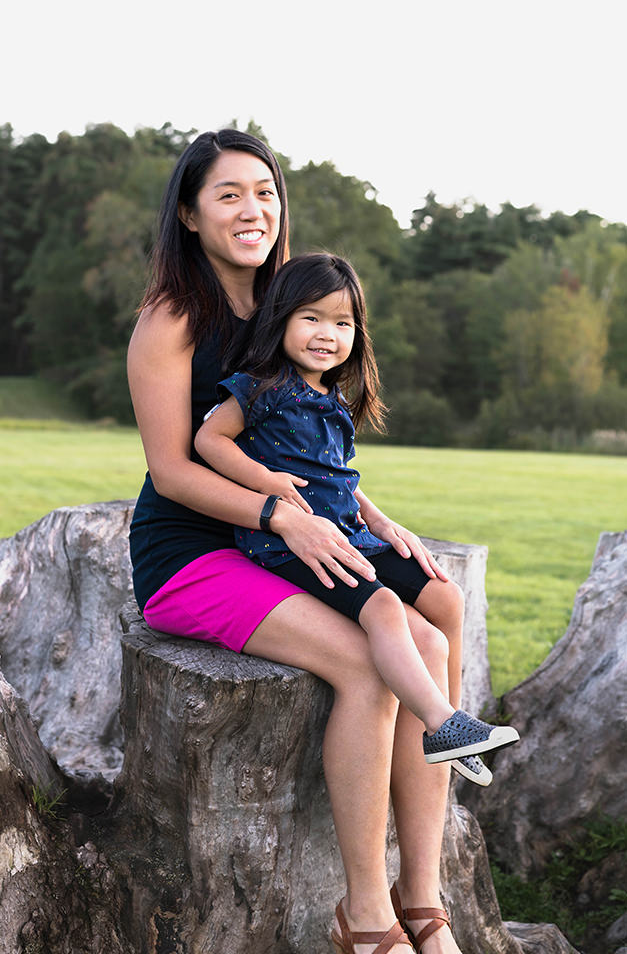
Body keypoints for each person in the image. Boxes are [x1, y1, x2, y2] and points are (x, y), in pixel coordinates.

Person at [127, 128, 476, 954]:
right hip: (196, 555)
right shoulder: (171, 319)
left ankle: (422, 898)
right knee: (364, 662)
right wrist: (281, 516)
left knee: (431, 627)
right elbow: (173, 470)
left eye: (265, 192)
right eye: (228, 194)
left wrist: (373, 515)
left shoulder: (284, 305)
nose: (253, 209)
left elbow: (301, 448)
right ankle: (365, 919)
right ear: (188, 214)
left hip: (290, 534)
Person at [195, 252, 519, 774]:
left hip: (349, 534)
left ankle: (457, 729)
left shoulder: (335, 399)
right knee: (386, 609)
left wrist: (378, 518)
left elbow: (340, 481)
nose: (327, 334)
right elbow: (209, 439)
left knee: (446, 597)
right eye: (312, 318)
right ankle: (442, 723)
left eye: (342, 323)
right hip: (289, 544)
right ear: (280, 319)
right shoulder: (261, 386)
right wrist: (266, 483)